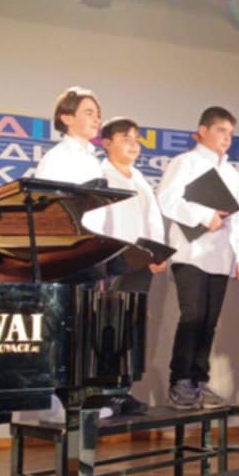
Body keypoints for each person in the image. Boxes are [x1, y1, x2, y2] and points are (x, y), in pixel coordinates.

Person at [155, 106, 239, 409]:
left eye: (230, 133)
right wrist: (205, 215)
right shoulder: (185, 162)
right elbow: (167, 199)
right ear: (203, 131)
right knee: (192, 316)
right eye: (221, 131)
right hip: (190, 252)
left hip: (220, 255)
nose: (226, 138)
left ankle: (198, 380)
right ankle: (180, 381)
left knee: (209, 321)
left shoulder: (231, 173)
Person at [83, 117, 167, 414]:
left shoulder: (141, 179)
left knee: (132, 328)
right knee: (107, 327)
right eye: (125, 138)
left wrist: (157, 252)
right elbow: (96, 223)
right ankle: (101, 392)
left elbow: (153, 219)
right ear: (106, 143)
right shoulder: (101, 175)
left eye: (136, 140)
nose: (133, 145)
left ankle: (122, 390)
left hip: (140, 262)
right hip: (112, 262)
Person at [35, 86, 105, 184]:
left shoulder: (93, 160)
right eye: (89, 113)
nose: (97, 120)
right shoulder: (56, 158)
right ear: (67, 119)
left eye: (98, 115)